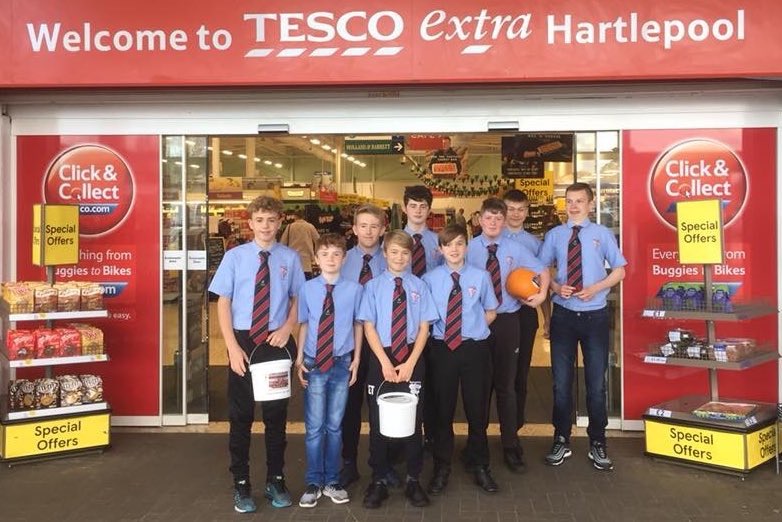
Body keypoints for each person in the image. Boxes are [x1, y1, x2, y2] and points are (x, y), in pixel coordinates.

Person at [208, 195, 305, 514]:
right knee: (240, 417)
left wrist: (287, 327)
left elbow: (297, 300)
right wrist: (231, 348)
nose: (265, 226)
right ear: (250, 223)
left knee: (276, 418)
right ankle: (241, 483)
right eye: (259, 220)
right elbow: (223, 302)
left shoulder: (289, 259)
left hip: (276, 344)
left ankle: (275, 478)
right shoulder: (235, 257)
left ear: (280, 222)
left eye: (271, 220)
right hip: (243, 342)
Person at [539, 182, 626, 471]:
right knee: (561, 384)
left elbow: (620, 270)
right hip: (564, 316)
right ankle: (561, 438)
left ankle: (597, 442)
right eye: (569, 201)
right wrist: (555, 285)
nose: (573, 206)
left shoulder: (601, 234)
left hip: (595, 318)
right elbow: (540, 271)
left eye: (579, 201)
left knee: (595, 386)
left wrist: (596, 287)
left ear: (591, 204)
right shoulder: (554, 235)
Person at [466, 197, 549, 474]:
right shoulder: (467, 249)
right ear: (479, 219)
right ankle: (476, 444)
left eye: (498, 218)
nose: (493, 223)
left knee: (507, 385)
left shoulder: (515, 247)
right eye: (488, 218)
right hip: (478, 323)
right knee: (479, 386)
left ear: (504, 221)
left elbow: (542, 270)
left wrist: (541, 295)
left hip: (508, 321)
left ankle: (510, 444)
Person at [359, 230, 437, 509]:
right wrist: (384, 363)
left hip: (411, 357)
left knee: (414, 422)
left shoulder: (420, 286)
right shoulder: (373, 287)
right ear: (385, 253)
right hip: (383, 357)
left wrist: (411, 363)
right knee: (379, 423)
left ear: (412, 255)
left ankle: (413, 479)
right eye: (394, 252)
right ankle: (378, 480)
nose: (399, 257)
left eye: (405, 252)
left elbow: (424, 327)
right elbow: (368, 326)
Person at [422, 224, 499, 496]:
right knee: (442, 411)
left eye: (459, 244)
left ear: (466, 246)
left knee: (477, 410)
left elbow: (491, 310)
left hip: (474, 350)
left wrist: (472, 330)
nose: (454, 249)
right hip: (443, 350)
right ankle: (442, 466)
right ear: (440, 250)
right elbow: (427, 320)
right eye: (448, 245)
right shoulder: (430, 279)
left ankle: (480, 464)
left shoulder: (480, 276)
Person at [295, 234, 363, 508]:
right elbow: (304, 324)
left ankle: (333, 480)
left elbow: (358, 325)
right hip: (314, 361)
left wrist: (356, 359)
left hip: (340, 362)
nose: (331, 259)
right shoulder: (307, 289)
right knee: (314, 427)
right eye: (325, 254)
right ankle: (314, 481)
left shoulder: (355, 289)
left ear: (344, 258)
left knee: (335, 426)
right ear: (316, 259)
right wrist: (299, 358)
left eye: (336, 254)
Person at [339, 204, 387, 489]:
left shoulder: (392, 259)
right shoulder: (342, 260)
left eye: (374, 226)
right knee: (350, 407)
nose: (369, 231)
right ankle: (348, 462)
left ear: (383, 229)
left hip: (382, 344)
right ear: (354, 229)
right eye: (363, 226)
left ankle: (383, 463)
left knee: (381, 405)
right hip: (347, 343)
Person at [502, 189, 545, 453]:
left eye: (520, 209)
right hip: (497, 314)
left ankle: (514, 429)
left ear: (527, 212)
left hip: (525, 312)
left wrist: (546, 315)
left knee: (520, 372)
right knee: (492, 374)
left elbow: (543, 283)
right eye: (510, 208)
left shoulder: (534, 243)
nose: (515, 214)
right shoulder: (489, 239)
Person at [280, 209, 320, 279]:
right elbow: (318, 241)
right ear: (304, 216)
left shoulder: (289, 227)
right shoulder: (310, 226)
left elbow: (282, 243)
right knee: (306, 284)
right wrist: (316, 255)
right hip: (306, 261)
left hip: (292, 260)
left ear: (295, 216)